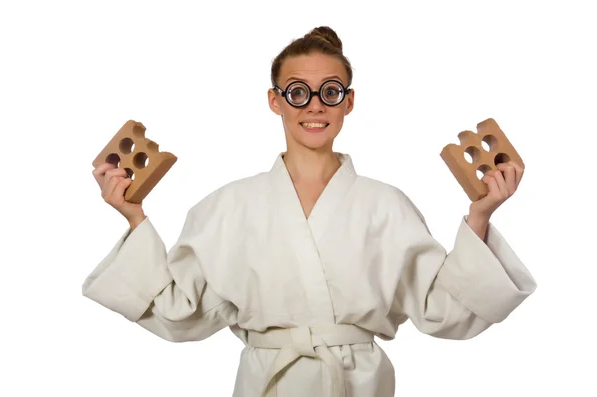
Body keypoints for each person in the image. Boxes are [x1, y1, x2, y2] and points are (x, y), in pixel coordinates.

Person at [83, 26, 537, 397]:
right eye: (298, 92)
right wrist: (133, 216)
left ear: (349, 102)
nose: (315, 105)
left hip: (358, 386)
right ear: (275, 100)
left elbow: (445, 310)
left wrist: (480, 216)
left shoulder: (386, 205)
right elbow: (178, 311)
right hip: (268, 383)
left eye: (331, 92)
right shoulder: (227, 207)